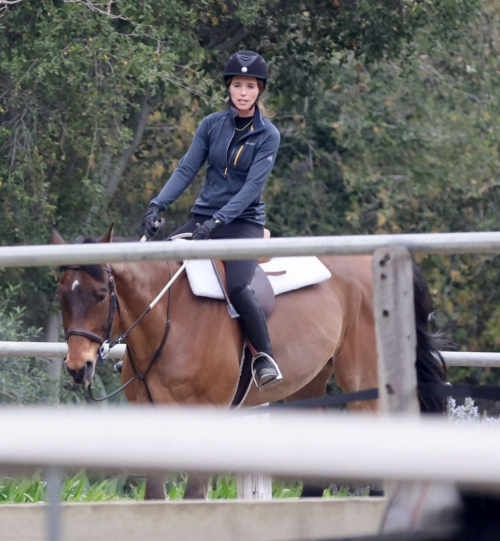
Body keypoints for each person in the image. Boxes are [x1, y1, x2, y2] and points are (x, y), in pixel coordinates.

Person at [142, 50, 282, 390]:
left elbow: (251, 188)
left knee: (236, 286)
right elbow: (187, 168)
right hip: (202, 218)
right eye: (237, 85)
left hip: (242, 223)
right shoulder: (210, 125)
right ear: (229, 89)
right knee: (159, 267)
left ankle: (264, 357)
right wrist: (157, 204)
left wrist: (217, 222)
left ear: (259, 90)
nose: (243, 92)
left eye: (250, 86)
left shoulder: (268, 135)